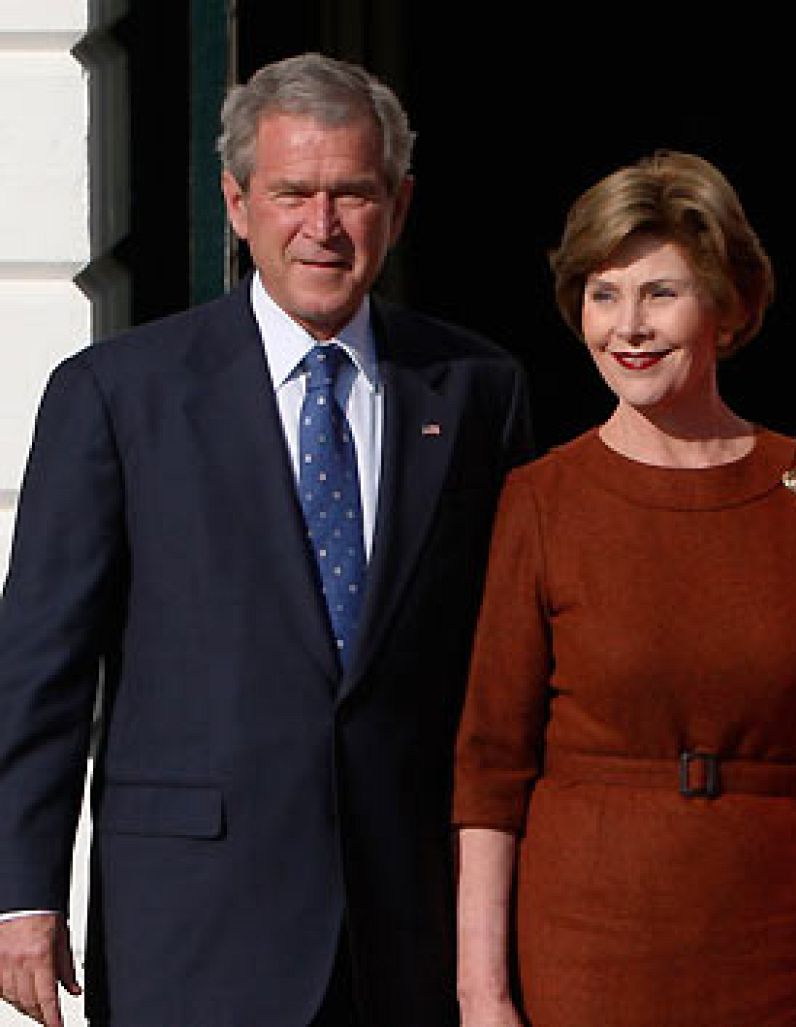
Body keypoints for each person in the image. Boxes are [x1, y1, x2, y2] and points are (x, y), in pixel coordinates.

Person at [0, 53, 533, 1026]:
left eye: (351, 195)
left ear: (398, 206)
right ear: (237, 203)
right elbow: (42, 666)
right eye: (292, 193)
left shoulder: (475, 390)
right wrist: (21, 891)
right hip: (195, 922)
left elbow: (504, 665)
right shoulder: (118, 394)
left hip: (407, 925)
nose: (321, 228)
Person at [451, 150, 796, 1027]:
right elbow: (490, 766)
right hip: (586, 942)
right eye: (603, 293)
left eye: (660, 292)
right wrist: (484, 992)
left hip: (774, 940)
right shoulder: (543, 499)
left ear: (728, 305)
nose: (629, 325)